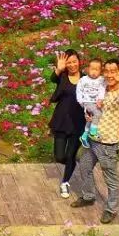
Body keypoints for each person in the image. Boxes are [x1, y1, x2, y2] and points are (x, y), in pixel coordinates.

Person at [70, 57, 119, 224]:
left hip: (108, 144)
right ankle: (89, 195)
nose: (110, 75)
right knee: (83, 164)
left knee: (110, 178)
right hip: (92, 140)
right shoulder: (102, 88)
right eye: (107, 71)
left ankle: (111, 209)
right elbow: (96, 108)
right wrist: (88, 116)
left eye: (114, 71)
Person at [48, 49, 84, 199]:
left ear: (79, 62)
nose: (72, 65)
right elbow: (52, 79)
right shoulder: (62, 76)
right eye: (69, 62)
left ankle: (65, 182)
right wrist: (59, 69)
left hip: (78, 122)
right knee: (59, 156)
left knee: (70, 155)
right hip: (61, 121)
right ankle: (72, 162)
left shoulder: (86, 78)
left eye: (74, 61)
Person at [76, 59, 107, 148]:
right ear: (87, 69)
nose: (94, 72)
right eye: (92, 69)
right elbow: (79, 91)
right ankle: (93, 132)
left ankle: (84, 136)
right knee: (98, 113)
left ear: (100, 71)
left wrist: (100, 99)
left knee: (91, 119)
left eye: (97, 69)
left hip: (96, 103)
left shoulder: (101, 80)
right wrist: (81, 102)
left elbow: (102, 89)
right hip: (87, 102)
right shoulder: (83, 80)